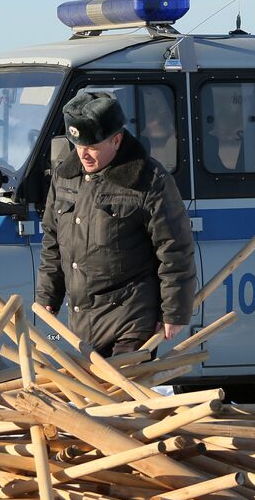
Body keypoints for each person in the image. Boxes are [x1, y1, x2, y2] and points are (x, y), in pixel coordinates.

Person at [37, 90, 196, 356]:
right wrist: (47, 297)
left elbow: (175, 249)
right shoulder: (65, 177)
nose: (83, 155)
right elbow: (53, 242)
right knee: (92, 397)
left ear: (117, 140)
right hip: (82, 323)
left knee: (123, 395)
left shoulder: (149, 181)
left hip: (131, 319)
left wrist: (174, 310)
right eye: (77, 146)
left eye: (92, 147)